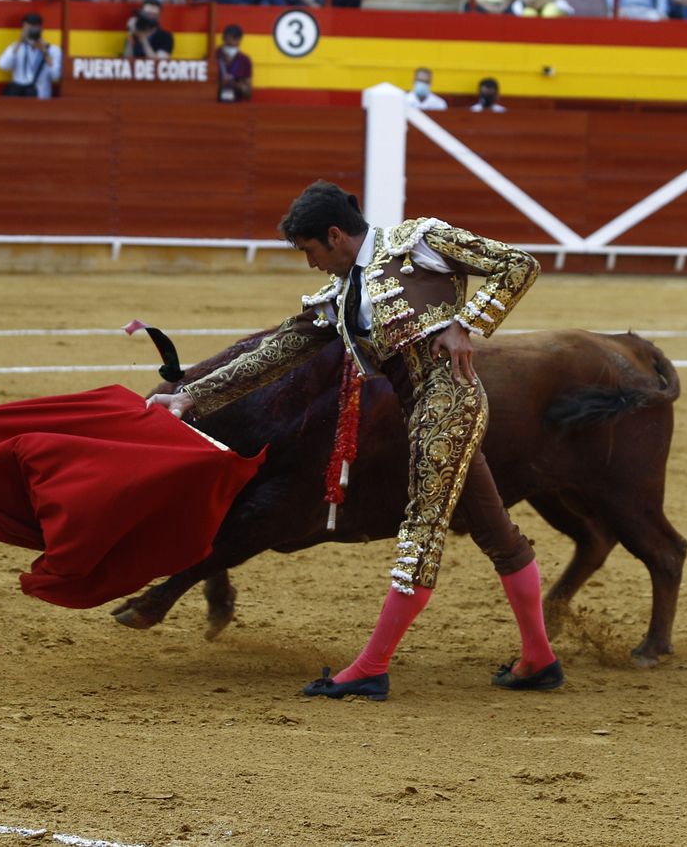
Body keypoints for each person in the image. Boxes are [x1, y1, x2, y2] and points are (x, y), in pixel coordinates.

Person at [147, 181, 561, 700]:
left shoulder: (420, 241)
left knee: (421, 534)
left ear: (335, 235)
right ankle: (539, 658)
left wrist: (467, 323)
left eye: (309, 250)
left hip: (448, 400)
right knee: (496, 531)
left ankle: (370, 667)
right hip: (419, 410)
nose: (310, 263)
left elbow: (519, 263)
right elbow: (275, 354)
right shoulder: (343, 295)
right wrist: (191, 397)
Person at [0, 13, 61, 98]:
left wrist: (45, 52)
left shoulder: (53, 50)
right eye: (28, 28)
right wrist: (20, 42)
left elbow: (56, 76)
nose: (32, 31)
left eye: (35, 28)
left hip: (40, 96)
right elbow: (2, 66)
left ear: (41, 29)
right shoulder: (16, 47)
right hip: (19, 96)